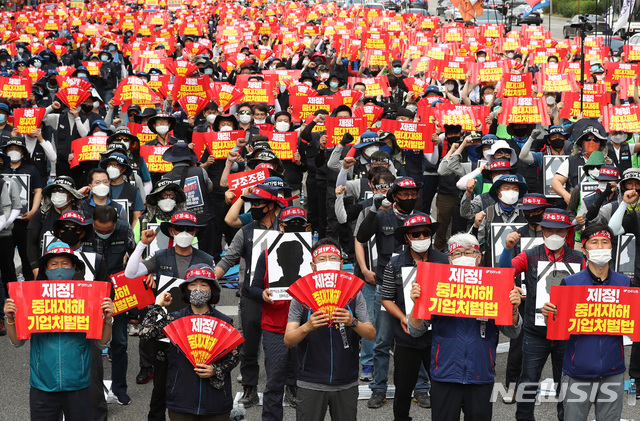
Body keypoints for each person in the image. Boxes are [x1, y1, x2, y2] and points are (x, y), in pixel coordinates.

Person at [408, 233, 522, 421]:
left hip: (480, 374)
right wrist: (417, 304)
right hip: (445, 374)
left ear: (478, 257)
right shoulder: (436, 284)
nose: (463, 257)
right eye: (457, 253)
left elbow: (513, 331)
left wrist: (514, 310)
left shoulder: (494, 284)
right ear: (450, 259)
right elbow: (415, 330)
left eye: (469, 252)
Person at [3, 243, 114, 421]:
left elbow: (102, 343)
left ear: (74, 268)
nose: (59, 268)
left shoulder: (88, 298)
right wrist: (10, 319)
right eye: (54, 264)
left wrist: (108, 320)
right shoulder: (31, 298)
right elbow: (17, 342)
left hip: (79, 385)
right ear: (45, 269)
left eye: (65, 263)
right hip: (42, 386)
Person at [125, 210, 214, 421]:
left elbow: (213, 294)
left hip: (195, 330)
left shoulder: (206, 259)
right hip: (165, 331)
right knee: (161, 387)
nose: (184, 232)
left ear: (195, 233)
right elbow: (130, 273)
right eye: (179, 229)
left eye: (189, 229)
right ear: (172, 231)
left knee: (192, 383)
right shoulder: (160, 256)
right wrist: (142, 245)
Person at [500, 208, 585, 421]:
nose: (554, 235)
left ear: (567, 232)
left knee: (565, 383)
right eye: (549, 230)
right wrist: (506, 249)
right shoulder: (529, 255)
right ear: (542, 231)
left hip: (566, 334)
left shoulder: (579, 258)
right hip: (534, 332)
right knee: (527, 380)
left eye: (559, 231)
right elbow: (503, 274)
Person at [542, 224, 628, 421]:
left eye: (605, 242)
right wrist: (549, 316)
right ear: (584, 249)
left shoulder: (624, 284)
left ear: (612, 247)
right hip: (577, 371)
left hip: (613, 370)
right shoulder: (570, 283)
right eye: (594, 243)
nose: (600, 247)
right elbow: (558, 327)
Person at [215, 184, 290, 407]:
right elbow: (229, 259)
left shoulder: (289, 227)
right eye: (252, 203)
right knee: (248, 345)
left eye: (257, 203)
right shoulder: (246, 231)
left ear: (271, 205)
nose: (254, 207)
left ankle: (292, 386)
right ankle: (249, 388)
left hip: (283, 297)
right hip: (251, 295)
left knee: (288, 342)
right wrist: (210, 281)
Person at [284, 238, 376, 421]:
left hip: (346, 382)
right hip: (310, 381)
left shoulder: (354, 293)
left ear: (341, 263)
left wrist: (352, 322)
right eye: (322, 259)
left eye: (333, 258)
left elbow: (371, 333)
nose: (328, 262)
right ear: (313, 265)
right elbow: (288, 339)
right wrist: (307, 327)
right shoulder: (301, 295)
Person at [140, 263, 241, 421]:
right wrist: (158, 306)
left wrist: (217, 369)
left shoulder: (224, 321)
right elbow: (146, 332)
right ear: (186, 290)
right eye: (192, 285)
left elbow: (235, 355)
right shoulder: (175, 319)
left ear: (212, 289)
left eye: (204, 284)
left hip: (216, 402)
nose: (198, 289)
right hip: (181, 401)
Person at [381, 212, 448, 418]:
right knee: (402, 391)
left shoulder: (445, 261)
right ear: (407, 238)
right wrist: (402, 317)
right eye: (416, 234)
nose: (421, 238)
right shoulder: (395, 263)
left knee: (443, 389)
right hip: (406, 338)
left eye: (425, 233)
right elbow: (386, 298)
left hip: (438, 337)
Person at [249, 206, 310, 420]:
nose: (295, 228)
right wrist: (262, 293)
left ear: (306, 226)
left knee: (307, 385)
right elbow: (253, 286)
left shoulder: (314, 256)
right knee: (274, 382)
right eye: (290, 224)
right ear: (280, 227)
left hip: (306, 327)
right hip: (275, 328)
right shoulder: (266, 254)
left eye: (299, 224)